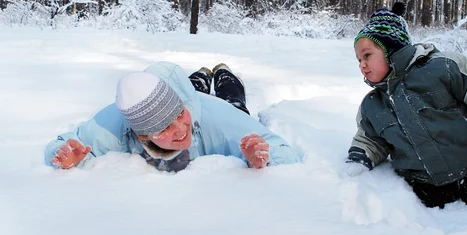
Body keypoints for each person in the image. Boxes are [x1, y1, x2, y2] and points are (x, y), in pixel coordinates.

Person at [346, 3, 467, 208]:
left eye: (367, 55)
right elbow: (370, 138)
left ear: (391, 49)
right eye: (358, 60)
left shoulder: (439, 67)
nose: (362, 65)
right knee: (435, 203)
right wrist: (360, 157)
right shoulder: (373, 105)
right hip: (424, 178)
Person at [45, 62, 300, 172]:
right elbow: (62, 144)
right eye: (164, 129)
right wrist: (66, 155)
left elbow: (282, 149)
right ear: (142, 135)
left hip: (215, 109)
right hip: (189, 105)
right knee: (193, 89)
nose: (180, 130)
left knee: (233, 100)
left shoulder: (219, 120)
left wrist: (262, 159)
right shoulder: (110, 128)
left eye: (179, 114)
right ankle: (199, 77)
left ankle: (223, 73)